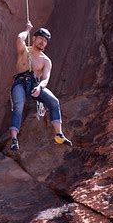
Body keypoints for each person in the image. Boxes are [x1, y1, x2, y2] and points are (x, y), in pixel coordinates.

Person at [9, 21, 72, 151]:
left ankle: (59, 134)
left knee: (54, 101)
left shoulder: (46, 60)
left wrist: (40, 87)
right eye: (40, 38)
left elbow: (45, 78)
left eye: (45, 40)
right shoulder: (24, 51)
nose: (42, 42)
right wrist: (27, 29)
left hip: (35, 84)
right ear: (34, 38)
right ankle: (14, 139)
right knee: (18, 105)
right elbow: (19, 38)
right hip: (20, 83)